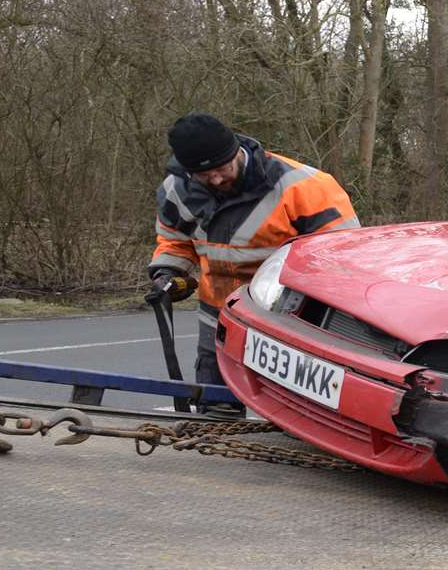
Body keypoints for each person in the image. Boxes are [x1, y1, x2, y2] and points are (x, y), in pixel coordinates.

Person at [147, 113, 357, 415]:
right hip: (218, 315)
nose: (216, 179)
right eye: (205, 176)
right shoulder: (176, 190)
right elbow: (175, 241)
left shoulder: (302, 186)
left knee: (296, 413)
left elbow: (344, 254)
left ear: (236, 151)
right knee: (217, 412)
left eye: (222, 169)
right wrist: (168, 273)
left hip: (287, 317)